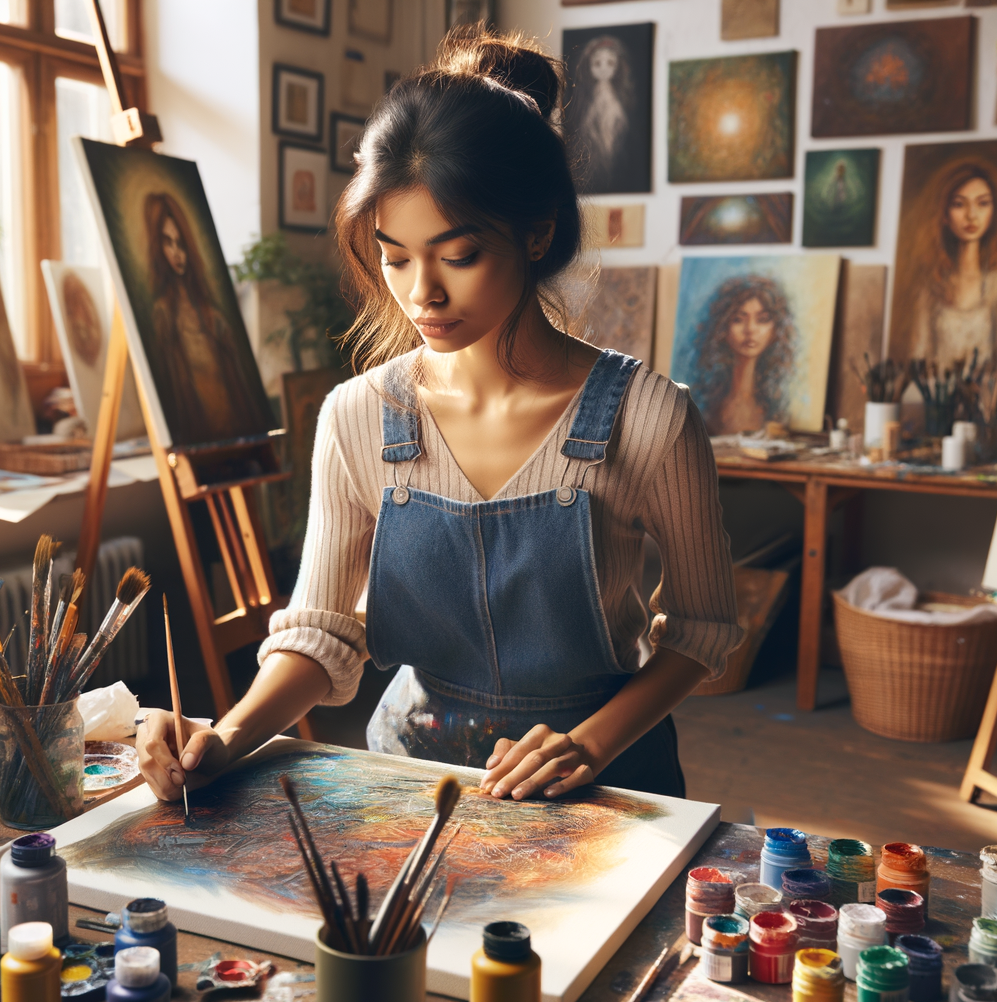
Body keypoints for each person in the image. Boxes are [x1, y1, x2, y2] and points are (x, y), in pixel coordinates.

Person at [137, 28, 740, 803]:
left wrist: (588, 745)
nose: (421, 292)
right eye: (395, 257)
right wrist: (224, 737)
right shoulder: (358, 417)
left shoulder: (650, 418)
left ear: (537, 234)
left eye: (457, 256)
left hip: (604, 786)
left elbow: (700, 630)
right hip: (415, 781)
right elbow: (320, 634)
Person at [144, 191, 270, 445]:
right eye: (168, 243)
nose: (177, 253)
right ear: (158, 248)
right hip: (194, 434)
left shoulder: (211, 314)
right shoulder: (163, 313)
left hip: (232, 431)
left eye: (181, 244)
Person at [907, 164, 997, 367]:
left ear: (993, 211)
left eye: (982, 203)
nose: (971, 215)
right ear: (944, 214)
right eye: (959, 204)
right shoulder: (929, 288)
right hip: (936, 387)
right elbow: (918, 361)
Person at [688, 275, 797, 435]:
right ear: (722, 328)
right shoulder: (705, 405)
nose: (750, 329)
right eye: (738, 319)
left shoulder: (777, 407)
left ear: (776, 330)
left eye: (762, 319)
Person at [567, 34, 635, 193]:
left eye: (610, 63)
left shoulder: (615, 97)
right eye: (597, 63)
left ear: (618, 67)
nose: (604, 69)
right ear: (588, 66)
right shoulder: (586, 98)